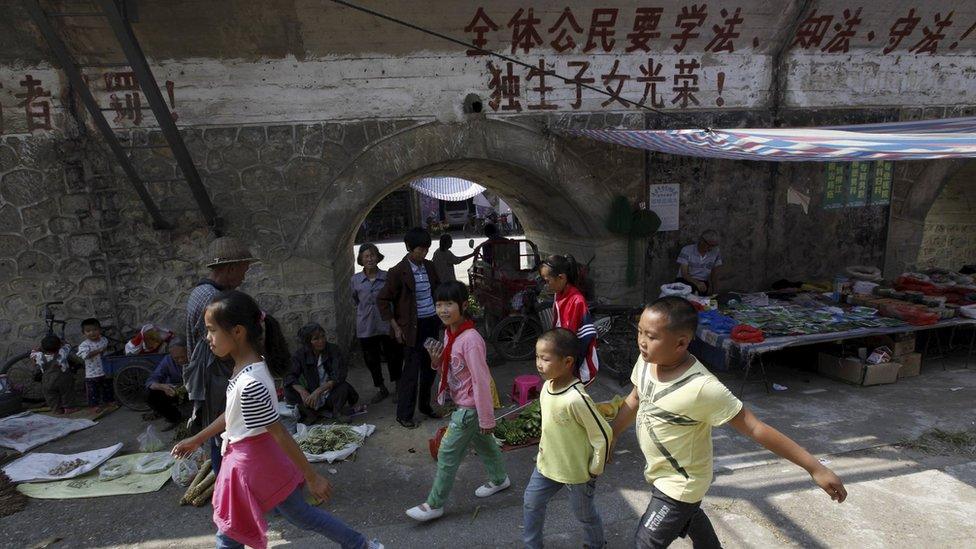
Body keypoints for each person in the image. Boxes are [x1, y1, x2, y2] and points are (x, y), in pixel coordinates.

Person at [610, 297, 847, 548]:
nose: (642, 342)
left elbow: (755, 428)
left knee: (646, 542)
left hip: (680, 484)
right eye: (640, 332)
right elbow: (635, 399)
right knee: (690, 517)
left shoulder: (702, 387)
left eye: (651, 336)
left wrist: (816, 468)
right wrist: (612, 434)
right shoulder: (647, 362)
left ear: (681, 342)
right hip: (660, 474)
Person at [172, 291, 382, 549]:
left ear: (237, 332)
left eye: (212, 330)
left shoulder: (251, 382)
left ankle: (362, 545)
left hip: (254, 462)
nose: (207, 338)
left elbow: (279, 432)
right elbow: (233, 414)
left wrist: (313, 477)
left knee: (231, 533)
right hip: (255, 458)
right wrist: (198, 438)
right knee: (293, 517)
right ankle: (361, 545)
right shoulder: (246, 368)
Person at [405, 281, 509, 522]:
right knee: (485, 445)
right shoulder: (450, 332)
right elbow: (452, 371)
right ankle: (500, 479)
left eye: (448, 304)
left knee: (447, 453)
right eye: (439, 304)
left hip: (469, 408)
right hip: (462, 402)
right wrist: (436, 361)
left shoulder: (470, 340)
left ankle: (434, 504)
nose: (442, 309)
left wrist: (486, 417)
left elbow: (481, 381)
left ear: (463, 305)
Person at [523, 328, 611, 549]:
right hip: (546, 465)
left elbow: (603, 434)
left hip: (578, 472)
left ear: (568, 361)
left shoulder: (576, 398)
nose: (539, 364)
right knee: (531, 503)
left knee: (584, 514)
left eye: (545, 358)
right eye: (537, 357)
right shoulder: (546, 387)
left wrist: (595, 468)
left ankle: (596, 544)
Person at [184, 236, 259, 474]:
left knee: (223, 430)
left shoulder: (201, 292)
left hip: (213, 371)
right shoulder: (212, 299)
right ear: (229, 268)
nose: (243, 277)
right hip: (215, 373)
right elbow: (227, 342)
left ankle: (228, 484)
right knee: (224, 433)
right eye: (243, 270)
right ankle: (227, 485)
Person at [377, 227, 442, 429]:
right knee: (411, 373)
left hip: (431, 323)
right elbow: (382, 299)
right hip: (411, 329)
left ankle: (425, 406)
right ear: (409, 248)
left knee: (430, 368)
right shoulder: (397, 271)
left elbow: (437, 290)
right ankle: (404, 414)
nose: (423, 253)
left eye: (426, 249)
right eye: (419, 250)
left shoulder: (430, 267)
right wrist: (395, 327)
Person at [351, 243, 402, 404]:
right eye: (366, 256)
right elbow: (355, 299)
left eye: (372, 255)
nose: (370, 259)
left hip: (386, 324)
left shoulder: (387, 277)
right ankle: (380, 387)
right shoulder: (355, 280)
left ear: (377, 257)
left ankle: (398, 386)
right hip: (366, 326)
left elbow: (394, 298)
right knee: (371, 359)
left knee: (393, 355)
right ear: (361, 259)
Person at [284, 323, 362, 424]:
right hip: (311, 396)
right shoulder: (300, 355)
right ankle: (310, 413)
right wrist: (303, 392)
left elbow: (338, 375)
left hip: (329, 393)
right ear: (308, 342)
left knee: (343, 386)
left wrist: (318, 391)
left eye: (323, 336)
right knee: (289, 389)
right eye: (316, 339)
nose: (322, 341)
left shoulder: (334, 350)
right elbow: (290, 375)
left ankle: (337, 412)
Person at [539, 255, 599, 383]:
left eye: (547, 281)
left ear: (561, 278)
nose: (546, 285)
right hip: (565, 355)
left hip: (577, 359)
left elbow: (582, 339)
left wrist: (569, 367)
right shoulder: (558, 295)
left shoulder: (577, 301)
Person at [146, 338, 189, 431]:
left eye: (183, 356)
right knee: (150, 394)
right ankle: (175, 418)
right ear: (171, 355)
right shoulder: (168, 361)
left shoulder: (196, 357)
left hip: (197, 391)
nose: (180, 360)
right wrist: (162, 387)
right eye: (176, 358)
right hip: (177, 392)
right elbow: (151, 380)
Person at [31, 335, 76, 415]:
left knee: (51, 396)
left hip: (47, 380)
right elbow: (68, 346)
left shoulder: (39, 356)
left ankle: (57, 410)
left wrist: (38, 349)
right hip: (63, 378)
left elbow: (33, 353)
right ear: (59, 346)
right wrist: (63, 342)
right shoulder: (62, 352)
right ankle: (68, 408)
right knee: (67, 393)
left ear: (43, 347)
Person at [76, 318, 113, 410]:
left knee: (107, 388)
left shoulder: (103, 340)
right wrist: (98, 351)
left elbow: (107, 348)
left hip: (104, 370)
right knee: (93, 392)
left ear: (100, 330)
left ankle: (109, 401)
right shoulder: (84, 345)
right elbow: (85, 355)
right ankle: (94, 406)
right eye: (88, 331)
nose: (92, 333)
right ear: (83, 333)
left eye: (95, 330)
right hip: (92, 373)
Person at [676, 230, 723, 296]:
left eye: (714, 246)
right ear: (702, 241)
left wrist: (715, 291)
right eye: (709, 245)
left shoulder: (716, 251)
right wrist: (696, 283)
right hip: (685, 280)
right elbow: (684, 274)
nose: (711, 248)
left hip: (702, 282)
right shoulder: (687, 250)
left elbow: (714, 273)